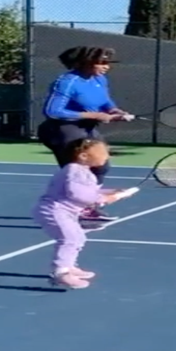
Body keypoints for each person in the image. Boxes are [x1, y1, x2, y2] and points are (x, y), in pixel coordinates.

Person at [37, 45, 131, 224]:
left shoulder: (100, 79)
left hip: (86, 129)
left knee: (101, 165)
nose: (106, 66)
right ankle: (70, 208)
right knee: (79, 174)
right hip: (62, 129)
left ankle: (86, 205)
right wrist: (95, 115)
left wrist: (114, 110)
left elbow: (105, 101)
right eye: (101, 63)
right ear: (86, 63)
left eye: (108, 63)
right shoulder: (66, 82)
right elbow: (53, 111)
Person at [32, 138, 137, 289]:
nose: (106, 156)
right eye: (102, 152)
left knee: (78, 237)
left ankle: (69, 266)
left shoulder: (81, 172)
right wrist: (105, 199)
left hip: (65, 212)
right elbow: (78, 194)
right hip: (54, 211)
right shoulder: (75, 171)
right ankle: (61, 273)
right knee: (69, 239)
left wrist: (112, 192)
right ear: (83, 156)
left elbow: (88, 191)